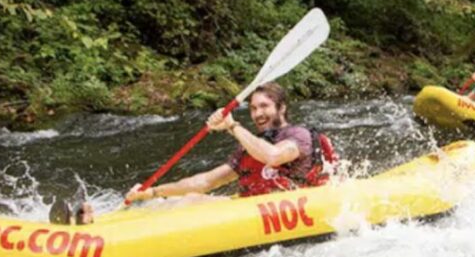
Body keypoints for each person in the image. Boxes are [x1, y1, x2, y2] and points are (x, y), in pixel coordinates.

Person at [125, 82, 338, 204]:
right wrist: (153, 192)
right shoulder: (251, 146)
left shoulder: (298, 135)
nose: (258, 114)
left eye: (264, 106)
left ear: (281, 108)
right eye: (253, 108)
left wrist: (231, 126)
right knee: (190, 198)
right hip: (254, 208)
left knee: (192, 201)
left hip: (296, 206)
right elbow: (205, 182)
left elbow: (273, 156)